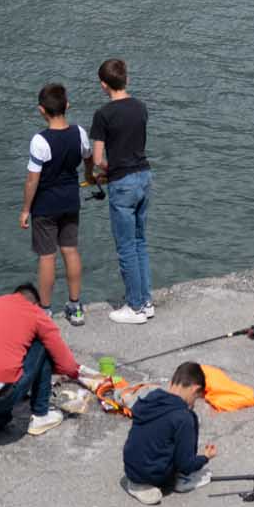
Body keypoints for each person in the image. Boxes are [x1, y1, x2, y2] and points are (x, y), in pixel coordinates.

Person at [0, 282, 83, 464]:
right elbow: (67, 364)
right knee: (42, 345)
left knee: (2, 420)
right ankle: (41, 416)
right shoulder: (34, 312)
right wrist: (72, 373)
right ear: (35, 303)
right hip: (0, 394)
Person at [90, 57, 154, 325]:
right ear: (126, 79)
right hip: (145, 177)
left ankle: (135, 306)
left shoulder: (103, 115)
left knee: (126, 246)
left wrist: (107, 169)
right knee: (140, 243)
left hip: (123, 183)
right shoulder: (140, 108)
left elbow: (97, 159)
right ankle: (146, 301)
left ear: (103, 85)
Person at [21, 83, 91, 326]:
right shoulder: (79, 133)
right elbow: (88, 158)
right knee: (70, 251)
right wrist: (90, 177)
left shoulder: (40, 141)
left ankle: (46, 310)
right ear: (67, 106)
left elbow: (32, 180)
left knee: (47, 257)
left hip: (45, 206)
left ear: (42, 110)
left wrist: (25, 209)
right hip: (71, 200)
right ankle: (75, 305)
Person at [120, 361, 220, 505]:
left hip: (131, 469)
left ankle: (138, 483)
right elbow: (186, 465)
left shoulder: (150, 398)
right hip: (153, 476)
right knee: (187, 461)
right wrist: (204, 457)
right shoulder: (184, 417)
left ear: (173, 381)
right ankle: (169, 482)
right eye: (196, 398)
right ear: (194, 389)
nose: (193, 403)